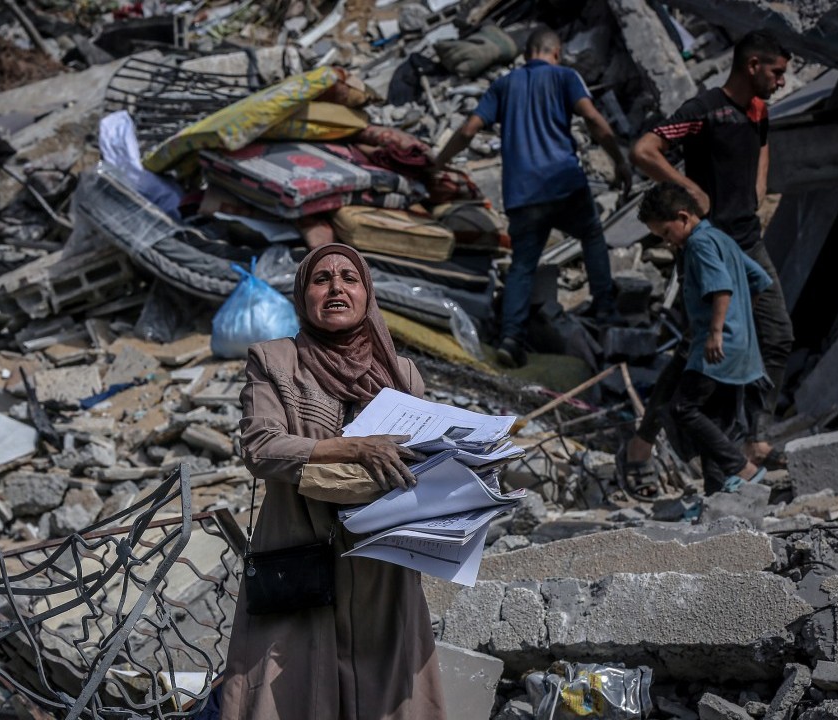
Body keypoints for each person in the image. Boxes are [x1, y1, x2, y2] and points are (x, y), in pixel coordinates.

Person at [221, 244, 446, 720]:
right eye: (322, 279)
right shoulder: (275, 360)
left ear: (367, 293)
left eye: (350, 277)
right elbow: (260, 447)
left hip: (383, 562)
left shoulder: (402, 373)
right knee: (292, 692)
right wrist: (354, 448)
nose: (337, 287)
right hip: (301, 552)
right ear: (303, 297)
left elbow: (424, 455)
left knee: (386, 690)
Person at [625, 31, 794, 480]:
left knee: (776, 335)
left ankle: (755, 434)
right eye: (776, 72)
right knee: (693, 351)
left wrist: (760, 185)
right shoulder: (703, 112)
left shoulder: (758, 110)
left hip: (748, 241)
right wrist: (689, 190)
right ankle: (645, 441)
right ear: (753, 64)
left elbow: (761, 143)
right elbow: (644, 149)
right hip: (709, 245)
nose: (781, 81)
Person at [435, 26, 632, 369]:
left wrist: (437, 163)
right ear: (556, 53)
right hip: (565, 184)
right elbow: (594, 120)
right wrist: (620, 161)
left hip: (523, 194)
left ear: (526, 55)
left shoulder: (503, 85)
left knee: (523, 266)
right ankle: (606, 313)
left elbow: (468, 130)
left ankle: (512, 338)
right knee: (591, 235)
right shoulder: (566, 77)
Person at [639, 182, 772, 494]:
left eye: (666, 233)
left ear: (684, 217)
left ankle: (742, 467)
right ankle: (717, 495)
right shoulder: (721, 238)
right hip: (739, 346)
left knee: (682, 409)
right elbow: (758, 278)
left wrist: (716, 330)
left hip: (716, 348)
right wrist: (739, 317)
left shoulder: (698, 245)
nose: (668, 242)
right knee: (716, 420)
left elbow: (721, 287)